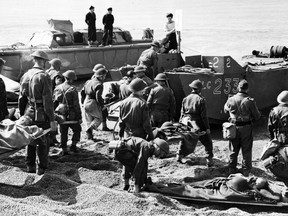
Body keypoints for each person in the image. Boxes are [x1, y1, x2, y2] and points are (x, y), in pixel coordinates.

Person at [18, 50, 57, 175]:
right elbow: (48, 101)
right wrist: (52, 120)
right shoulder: (44, 76)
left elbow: (21, 98)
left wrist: (22, 113)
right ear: (43, 61)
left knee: (29, 139)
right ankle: (41, 168)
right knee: (42, 140)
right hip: (41, 113)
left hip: (28, 112)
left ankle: (29, 165)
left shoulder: (25, 75)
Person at [224, 79, 261, 176]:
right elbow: (257, 116)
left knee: (233, 149)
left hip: (233, 127)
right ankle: (246, 171)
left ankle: (231, 169)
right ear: (247, 89)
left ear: (238, 88)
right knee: (246, 149)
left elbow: (225, 110)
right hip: (246, 128)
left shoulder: (231, 99)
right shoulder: (250, 101)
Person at [179, 79, 214, 167]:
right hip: (198, 123)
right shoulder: (201, 99)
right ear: (199, 89)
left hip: (186, 122)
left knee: (184, 139)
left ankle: (179, 156)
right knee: (207, 142)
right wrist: (207, 128)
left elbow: (182, 113)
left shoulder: (185, 98)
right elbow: (204, 116)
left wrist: (181, 124)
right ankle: (209, 160)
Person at [53, 70, 82, 155]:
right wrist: (79, 117)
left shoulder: (57, 88)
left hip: (61, 113)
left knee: (63, 131)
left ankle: (64, 149)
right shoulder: (73, 90)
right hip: (71, 114)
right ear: (72, 79)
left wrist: (54, 114)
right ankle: (73, 146)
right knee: (77, 129)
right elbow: (76, 105)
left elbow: (54, 102)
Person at [83, 67, 107, 140]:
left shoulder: (88, 81)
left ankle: (89, 136)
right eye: (104, 76)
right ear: (101, 76)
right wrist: (102, 105)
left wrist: (82, 102)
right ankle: (90, 128)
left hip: (86, 100)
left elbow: (82, 92)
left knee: (88, 119)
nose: (105, 77)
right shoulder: (99, 84)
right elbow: (98, 96)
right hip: (92, 102)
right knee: (99, 118)